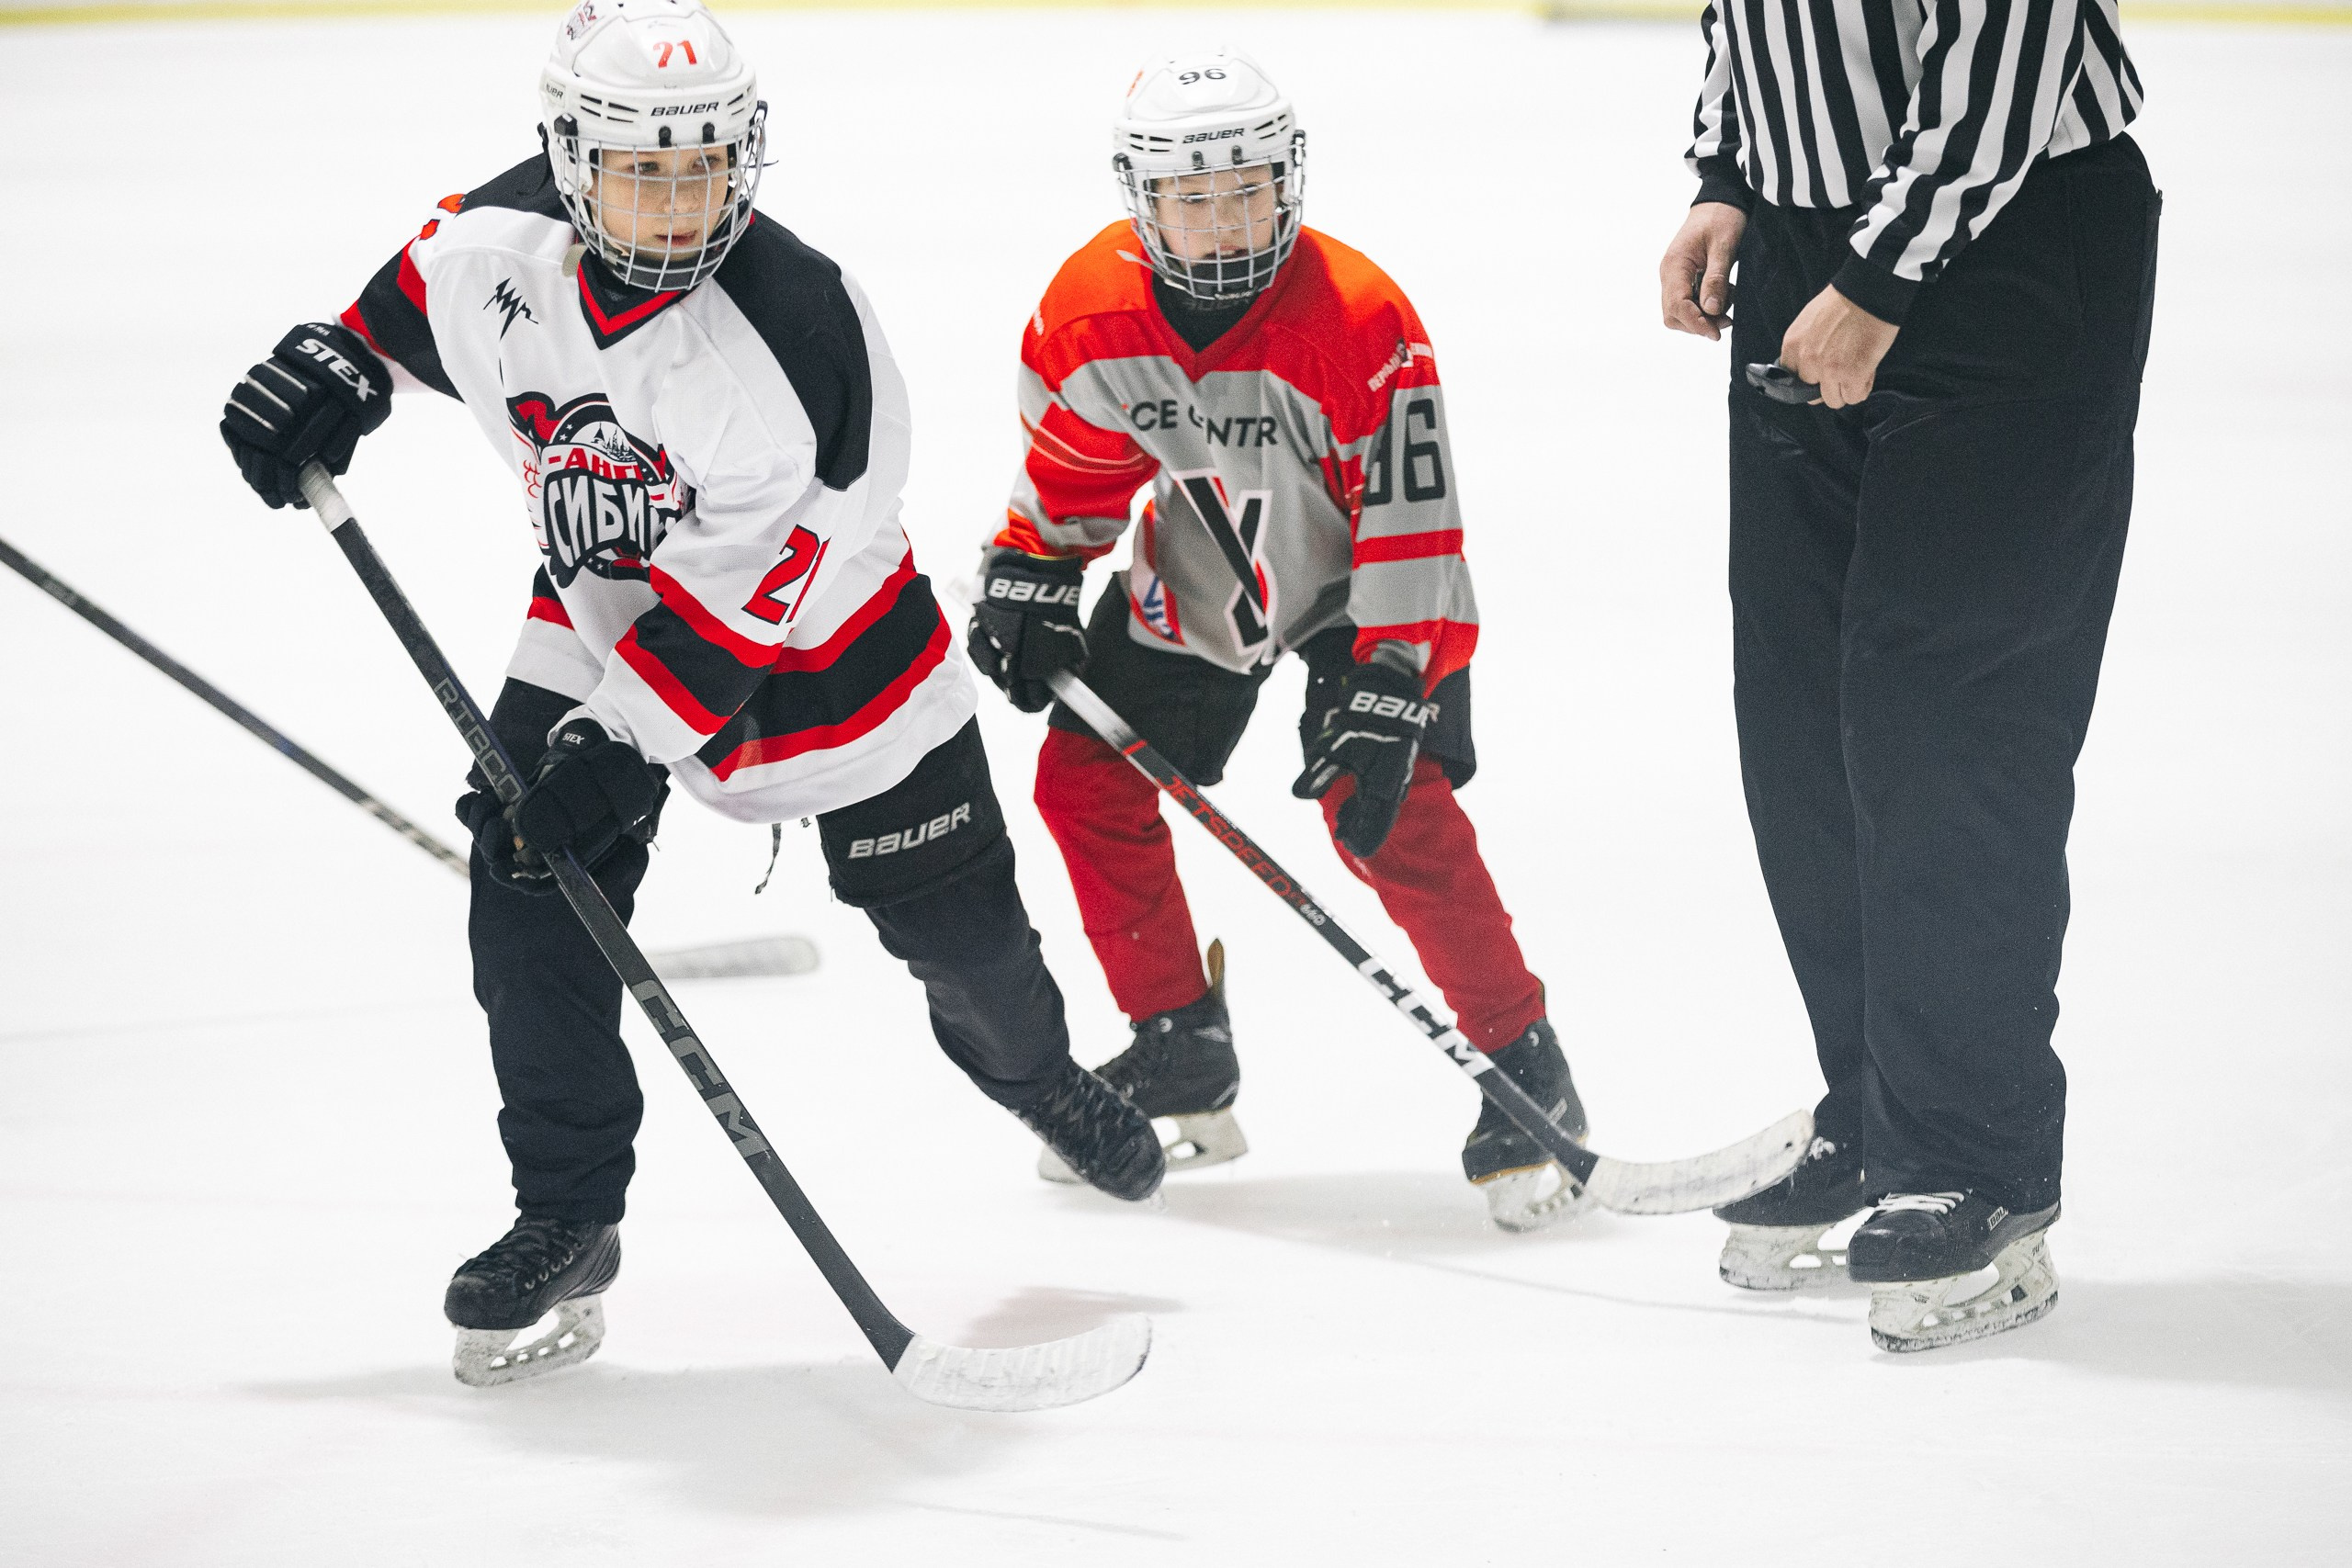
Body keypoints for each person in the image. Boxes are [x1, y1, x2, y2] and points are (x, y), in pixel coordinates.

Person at [218, 0, 1161, 1384]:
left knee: (967, 960)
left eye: (705, 167)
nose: (676, 203)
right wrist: (335, 368)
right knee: (528, 871)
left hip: (839, 670)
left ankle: (1040, 1079)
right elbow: (402, 307)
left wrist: (624, 748)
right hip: (603, 623)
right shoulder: (492, 243)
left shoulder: (796, 337)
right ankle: (567, 1214)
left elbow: (746, 613)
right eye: (641, 170)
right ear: (568, 154)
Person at [967, 50, 1586, 1233]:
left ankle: (1526, 1062)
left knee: (1384, 804)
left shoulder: (1361, 318)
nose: (1221, 218)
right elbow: (1076, 462)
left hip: (1365, 584)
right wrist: (1038, 566)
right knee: (1087, 782)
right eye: (1191, 197)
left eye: (1245, 188)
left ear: (1287, 179)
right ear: (1141, 198)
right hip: (1205, 566)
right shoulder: (1092, 306)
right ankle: (1178, 1045)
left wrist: (1398, 679)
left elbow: (1411, 517)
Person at [1656, 0, 2159, 1349]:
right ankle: (1883, 1106)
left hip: (2008, 237)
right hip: (1809, 241)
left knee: (1947, 710)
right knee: (1803, 712)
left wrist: (1883, 276)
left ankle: (1976, 1156)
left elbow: (2021, 32)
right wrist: (1730, 176)